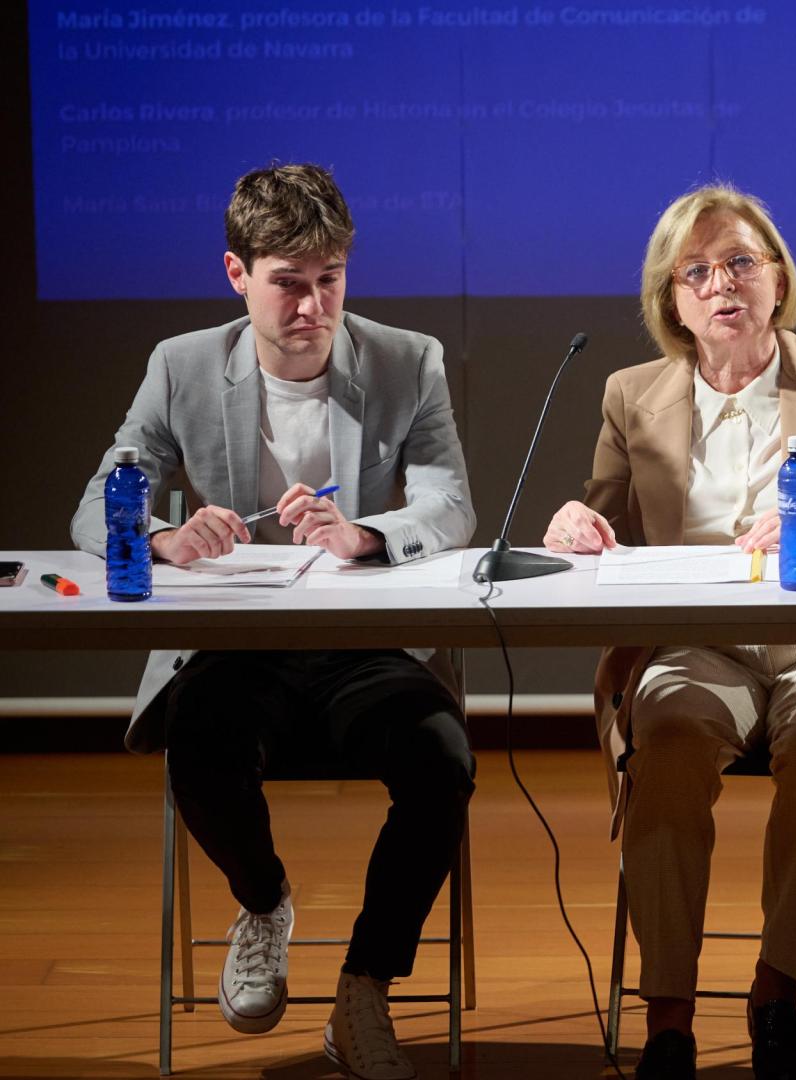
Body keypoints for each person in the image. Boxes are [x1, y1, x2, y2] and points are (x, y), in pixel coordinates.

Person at [71, 164, 476, 1080]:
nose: (312, 305)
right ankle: (263, 902)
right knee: (197, 746)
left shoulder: (408, 360)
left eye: (329, 278)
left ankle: (365, 985)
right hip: (239, 644)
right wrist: (168, 534)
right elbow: (100, 501)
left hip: (365, 647)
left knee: (441, 761)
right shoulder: (181, 366)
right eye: (288, 281)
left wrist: (366, 532)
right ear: (236, 273)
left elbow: (451, 505)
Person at [543, 184, 796, 1080]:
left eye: (742, 262)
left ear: (778, 278)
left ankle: (777, 985)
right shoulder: (630, 395)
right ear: (671, 300)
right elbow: (605, 532)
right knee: (667, 743)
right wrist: (573, 529)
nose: (723, 284)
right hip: (692, 645)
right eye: (697, 271)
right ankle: (669, 1016)